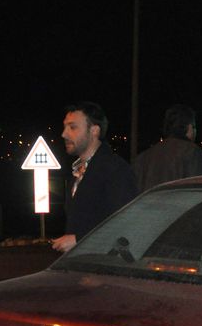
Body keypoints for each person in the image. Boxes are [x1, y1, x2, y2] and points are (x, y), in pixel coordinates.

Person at [50, 101, 138, 253]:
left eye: (73, 127)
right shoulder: (77, 172)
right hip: (82, 269)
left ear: (94, 131)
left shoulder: (116, 170)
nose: (64, 134)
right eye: (65, 127)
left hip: (104, 270)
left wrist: (79, 240)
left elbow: (126, 224)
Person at [134, 103, 202, 191]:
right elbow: (199, 192)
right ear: (189, 127)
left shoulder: (143, 158)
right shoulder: (193, 153)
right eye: (194, 127)